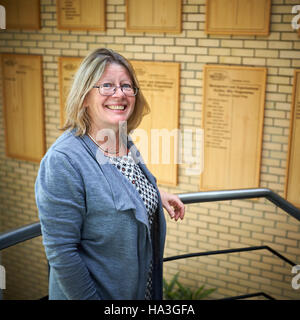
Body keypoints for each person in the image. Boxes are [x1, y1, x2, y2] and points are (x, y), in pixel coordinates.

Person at [35, 48, 185, 300]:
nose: (119, 93)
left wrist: (155, 193)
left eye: (127, 86)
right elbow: (62, 253)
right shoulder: (63, 161)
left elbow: (117, 186)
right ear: (84, 97)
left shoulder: (122, 141)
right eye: (107, 85)